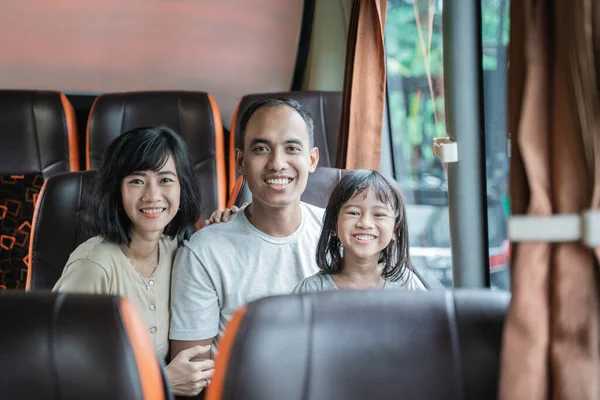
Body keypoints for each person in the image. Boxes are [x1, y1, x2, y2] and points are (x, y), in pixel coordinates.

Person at [53, 126, 214, 397]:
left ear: (181, 187)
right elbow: (60, 372)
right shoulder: (93, 266)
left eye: (165, 180)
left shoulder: (177, 248)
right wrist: (160, 381)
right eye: (137, 181)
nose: (152, 195)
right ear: (117, 191)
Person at [169, 98, 322, 361]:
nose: (277, 163)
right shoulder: (204, 252)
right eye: (261, 148)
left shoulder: (340, 235)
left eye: (292, 148)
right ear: (240, 161)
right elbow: (191, 372)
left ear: (311, 159)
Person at [293, 169, 426, 292]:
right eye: (354, 213)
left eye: (379, 215)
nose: (365, 223)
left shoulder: (408, 285)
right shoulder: (311, 290)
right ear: (333, 225)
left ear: (395, 230)